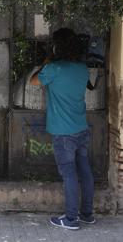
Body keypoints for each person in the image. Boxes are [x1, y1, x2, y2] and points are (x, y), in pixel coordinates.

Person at [29, 28, 96, 230]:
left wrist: (46, 61)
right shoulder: (82, 68)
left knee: (69, 174)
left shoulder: (54, 68)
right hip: (81, 128)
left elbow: (33, 81)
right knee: (84, 171)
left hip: (63, 132)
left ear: (56, 47)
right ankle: (87, 214)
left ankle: (70, 219)